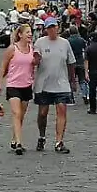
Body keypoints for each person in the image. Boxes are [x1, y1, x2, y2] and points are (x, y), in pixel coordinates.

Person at [32, 18, 76, 154]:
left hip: (61, 84)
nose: (52, 30)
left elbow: (71, 62)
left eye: (54, 27)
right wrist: (35, 59)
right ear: (46, 29)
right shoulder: (40, 42)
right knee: (43, 113)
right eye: (49, 27)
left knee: (61, 111)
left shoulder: (65, 43)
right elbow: (34, 60)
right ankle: (42, 136)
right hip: (44, 84)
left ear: (58, 27)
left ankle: (59, 142)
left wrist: (72, 80)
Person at [0, 24, 38, 155]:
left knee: (21, 115)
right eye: (27, 32)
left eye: (31, 32)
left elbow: (35, 65)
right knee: (16, 113)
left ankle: (14, 138)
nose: (30, 35)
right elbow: (3, 67)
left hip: (27, 85)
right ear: (20, 35)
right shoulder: (12, 49)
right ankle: (19, 143)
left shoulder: (33, 49)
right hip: (13, 85)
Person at [67, 26, 86, 103]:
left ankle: (71, 97)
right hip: (80, 61)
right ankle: (85, 95)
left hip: (71, 62)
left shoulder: (68, 41)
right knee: (82, 80)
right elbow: (85, 49)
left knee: (71, 79)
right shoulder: (81, 40)